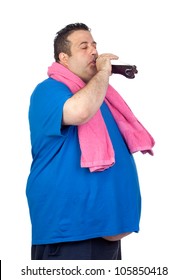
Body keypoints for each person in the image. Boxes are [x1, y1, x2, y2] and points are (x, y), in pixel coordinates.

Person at [26, 23, 154, 260]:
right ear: (64, 58)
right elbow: (80, 111)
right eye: (84, 46)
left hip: (102, 232)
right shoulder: (49, 90)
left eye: (94, 45)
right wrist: (104, 73)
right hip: (69, 233)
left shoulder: (101, 98)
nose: (94, 52)